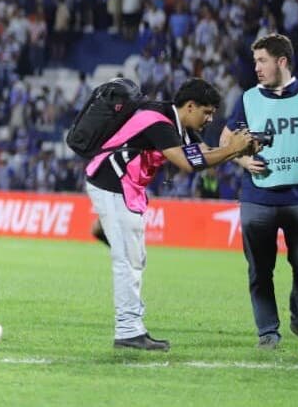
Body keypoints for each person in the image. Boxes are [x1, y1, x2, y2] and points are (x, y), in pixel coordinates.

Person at [85, 78, 257, 350]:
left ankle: (130, 325)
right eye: (207, 112)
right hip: (112, 183)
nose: (210, 119)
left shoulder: (180, 126)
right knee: (129, 260)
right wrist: (232, 148)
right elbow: (186, 163)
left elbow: (203, 156)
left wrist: (240, 150)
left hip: (122, 186)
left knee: (134, 258)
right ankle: (128, 332)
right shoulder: (159, 121)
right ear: (190, 106)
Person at [220, 34, 298, 350]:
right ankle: (267, 331)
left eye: (262, 61)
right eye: (255, 61)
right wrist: (242, 159)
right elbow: (225, 138)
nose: (256, 67)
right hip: (257, 196)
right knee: (260, 269)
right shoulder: (248, 98)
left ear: (281, 61)